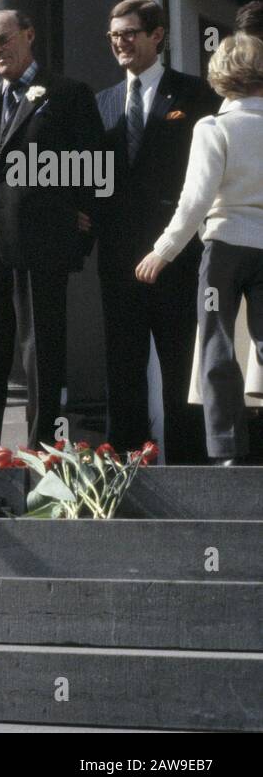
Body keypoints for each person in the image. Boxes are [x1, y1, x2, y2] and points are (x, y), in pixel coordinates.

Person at [0, 9, 105, 459]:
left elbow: (94, 167)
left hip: (42, 243)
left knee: (40, 354)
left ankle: (43, 452)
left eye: (3, 40)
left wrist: (80, 227)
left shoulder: (68, 94)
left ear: (29, 34)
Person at [94, 0, 219, 463]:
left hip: (178, 255)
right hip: (119, 257)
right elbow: (93, 174)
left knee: (180, 367)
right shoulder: (102, 102)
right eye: (113, 36)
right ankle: (124, 474)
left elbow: (206, 174)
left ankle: (188, 472)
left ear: (158, 36)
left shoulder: (196, 93)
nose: (120, 43)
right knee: (123, 370)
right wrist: (81, 213)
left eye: (129, 33)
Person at [136, 32, 263, 465]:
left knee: (217, 345)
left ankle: (227, 451)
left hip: (225, 249)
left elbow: (195, 200)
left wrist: (162, 250)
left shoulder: (214, 127)